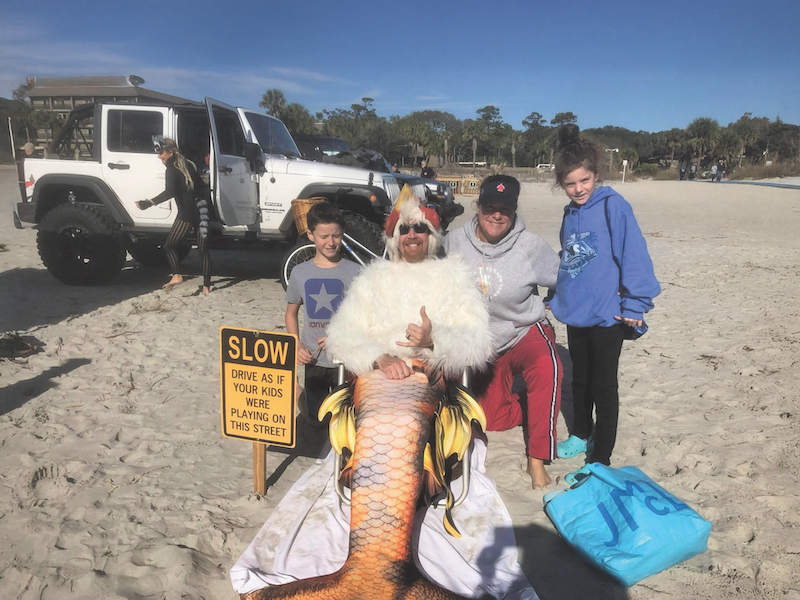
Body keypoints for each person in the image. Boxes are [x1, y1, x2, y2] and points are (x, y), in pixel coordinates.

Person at [231, 190, 537, 599]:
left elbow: (477, 341)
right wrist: (377, 357)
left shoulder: (453, 276)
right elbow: (343, 333)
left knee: (407, 421)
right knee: (377, 419)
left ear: (431, 235)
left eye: (420, 228)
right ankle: (374, 565)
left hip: (427, 373)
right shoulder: (373, 277)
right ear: (394, 237)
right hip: (377, 374)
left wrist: (433, 340)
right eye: (405, 228)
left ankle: (384, 565)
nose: (412, 234)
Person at [549, 125, 661, 484]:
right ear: (561, 185)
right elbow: (570, 259)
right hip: (577, 313)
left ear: (595, 175)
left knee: (603, 386)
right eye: (570, 183)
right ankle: (581, 432)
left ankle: (600, 456)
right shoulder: (569, 213)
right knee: (578, 382)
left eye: (584, 180)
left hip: (609, 314)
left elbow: (633, 253)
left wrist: (635, 304)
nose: (579, 189)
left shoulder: (614, 204)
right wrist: (557, 294)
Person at [444, 175, 562, 489]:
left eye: (505, 209)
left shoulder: (531, 245)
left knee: (547, 366)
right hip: (478, 342)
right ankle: (527, 402)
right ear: (478, 206)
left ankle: (537, 460)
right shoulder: (453, 241)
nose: (497, 215)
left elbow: (567, 279)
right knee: (490, 420)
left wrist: (559, 304)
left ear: (514, 210)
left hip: (523, 331)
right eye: (490, 207)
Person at [284, 201, 361, 425]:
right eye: (324, 236)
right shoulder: (300, 272)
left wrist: (341, 337)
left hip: (345, 358)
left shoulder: (355, 272)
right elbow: (290, 313)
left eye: (336, 236)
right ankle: (295, 390)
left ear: (342, 234)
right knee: (315, 418)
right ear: (310, 235)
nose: (330, 242)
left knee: (344, 418)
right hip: (313, 358)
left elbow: (362, 316)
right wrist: (296, 344)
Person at [136, 137, 212, 294]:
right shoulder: (187, 164)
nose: (159, 157)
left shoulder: (172, 169)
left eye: (160, 153)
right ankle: (206, 287)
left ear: (170, 152)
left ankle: (176, 275)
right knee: (203, 250)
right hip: (202, 210)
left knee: (169, 245)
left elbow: (170, 192)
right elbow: (202, 187)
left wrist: (148, 203)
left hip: (188, 212)